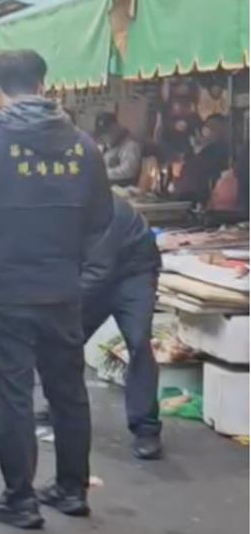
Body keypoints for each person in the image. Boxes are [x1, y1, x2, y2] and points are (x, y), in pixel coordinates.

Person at [0, 49, 113, 529]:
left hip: (4, 292)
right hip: (62, 289)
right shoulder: (84, 146)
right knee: (68, 391)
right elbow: (101, 220)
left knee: (13, 395)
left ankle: (20, 498)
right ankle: (72, 488)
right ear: (43, 84)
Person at [77, 195, 164, 459]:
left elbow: (98, 271)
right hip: (94, 273)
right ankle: (60, 404)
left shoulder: (108, 209)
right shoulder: (61, 206)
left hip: (134, 275)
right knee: (65, 342)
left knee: (138, 343)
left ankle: (146, 428)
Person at [174, 114, 231, 203]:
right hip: (186, 199)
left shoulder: (222, 154)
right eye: (208, 126)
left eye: (214, 128)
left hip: (204, 201)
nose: (208, 130)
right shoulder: (194, 154)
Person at [94, 113, 143, 187]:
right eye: (103, 133)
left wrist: (102, 173)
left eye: (109, 131)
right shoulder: (106, 146)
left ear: (116, 127)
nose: (106, 136)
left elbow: (129, 170)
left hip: (122, 189)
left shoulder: (130, 145)